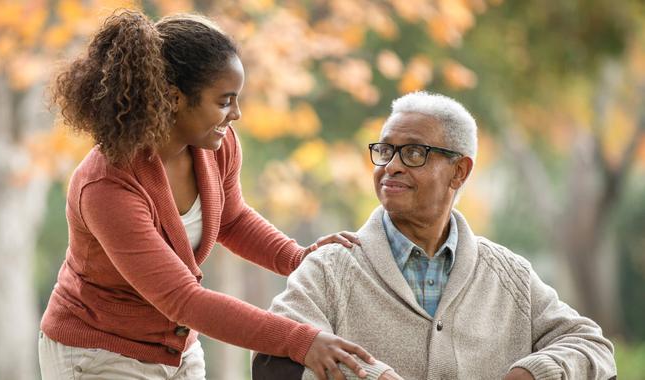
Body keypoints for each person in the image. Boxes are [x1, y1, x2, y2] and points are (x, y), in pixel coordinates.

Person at [38, 9, 375, 380]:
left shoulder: (218, 145)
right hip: (99, 352)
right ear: (174, 98)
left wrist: (298, 258)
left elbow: (231, 218)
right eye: (225, 100)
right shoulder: (106, 186)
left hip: (178, 349)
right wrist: (300, 341)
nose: (237, 114)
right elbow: (182, 299)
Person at [252, 91, 617, 380]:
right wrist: (370, 376)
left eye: (412, 153)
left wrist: (534, 373)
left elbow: (592, 346)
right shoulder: (330, 267)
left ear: (459, 171)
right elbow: (274, 354)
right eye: (385, 151)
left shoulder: (511, 276)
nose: (390, 167)